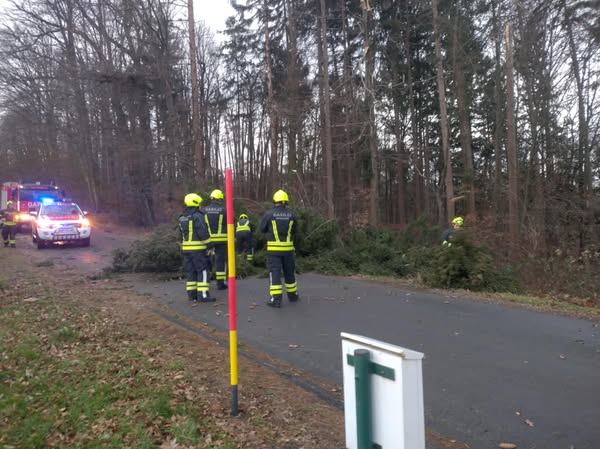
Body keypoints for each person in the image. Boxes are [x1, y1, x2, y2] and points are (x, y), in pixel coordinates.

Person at [259, 189, 299, 308]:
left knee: (275, 273)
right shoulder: (292, 215)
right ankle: (293, 296)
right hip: (288, 250)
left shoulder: (269, 214)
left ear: (275, 201)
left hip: (274, 251)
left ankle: (276, 300)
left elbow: (262, 229)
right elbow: (294, 231)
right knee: (289, 272)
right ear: (286, 201)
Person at [178, 193, 215, 302]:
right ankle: (203, 295)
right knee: (203, 270)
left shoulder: (182, 217)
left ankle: (192, 295)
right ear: (196, 203)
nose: (201, 205)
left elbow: (180, 235)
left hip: (187, 250)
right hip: (198, 249)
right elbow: (202, 232)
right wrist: (210, 244)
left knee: (191, 272)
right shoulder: (198, 216)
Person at [202, 189, 228, 290]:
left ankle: (206, 281)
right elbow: (229, 224)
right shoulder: (224, 210)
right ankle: (220, 284)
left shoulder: (204, 210)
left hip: (208, 241)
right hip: (221, 241)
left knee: (207, 260)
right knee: (220, 261)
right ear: (220, 199)